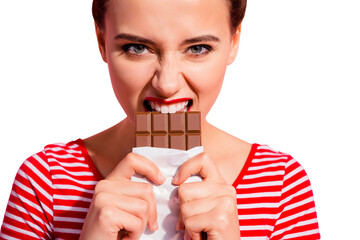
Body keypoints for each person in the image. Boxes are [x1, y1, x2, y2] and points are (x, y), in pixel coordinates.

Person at [0, 0, 320, 239]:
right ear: (101, 40)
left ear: (234, 41)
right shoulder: (46, 181)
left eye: (197, 48)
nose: (166, 85)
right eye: (137, 48)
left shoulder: (280, 183)